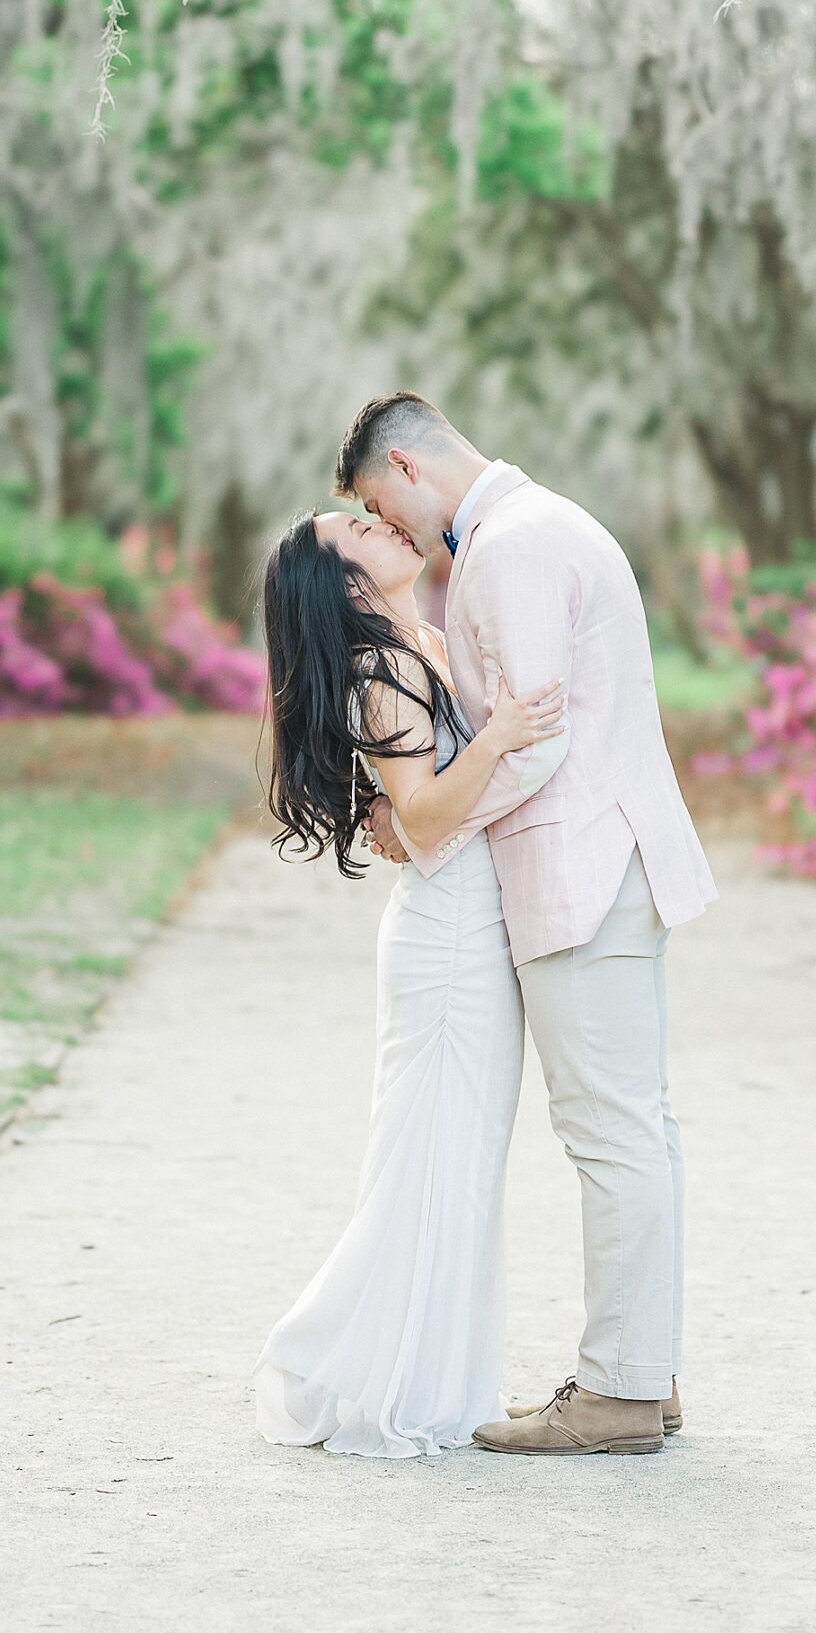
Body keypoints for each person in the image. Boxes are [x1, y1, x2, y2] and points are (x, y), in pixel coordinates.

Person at [336, 393, 716, 1458]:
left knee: (612, 1130)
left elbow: (535, 744)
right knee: (635, 1123)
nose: (393, 531)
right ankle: (644, 1368)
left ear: (406, 467)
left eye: (379, 504)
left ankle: (619, 1393)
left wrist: (426, 829)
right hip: (602, 860)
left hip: (582, 866)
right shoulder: (535, 526)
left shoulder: (510, 548)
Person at [254, 509, 565, 1457]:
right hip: (445, 941)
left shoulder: (419, 640)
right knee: (428, 1160)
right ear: (337, 578)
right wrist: (502, 731)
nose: (381, 523)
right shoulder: (376, 670)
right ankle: (337, 1359)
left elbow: (410, 809)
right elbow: (424, 819)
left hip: (469, 925)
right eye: (354, 527)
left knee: (460, 1164)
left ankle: (437, 1374)